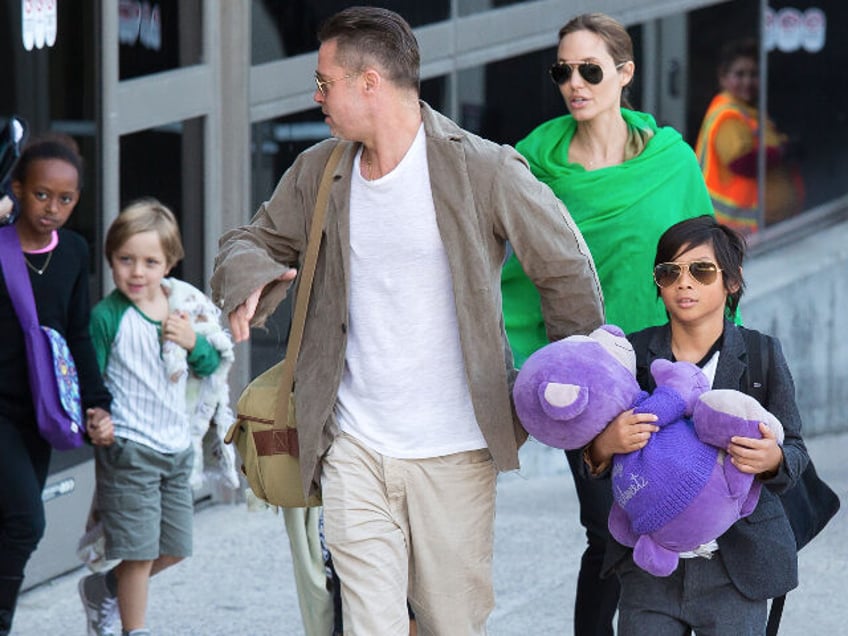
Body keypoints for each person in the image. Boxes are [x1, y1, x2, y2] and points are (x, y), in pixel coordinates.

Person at [211, 6, 604, 634]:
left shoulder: (482, 168)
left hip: (456, 451)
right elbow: (249, 238)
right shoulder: (322, 170)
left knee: (452, 623)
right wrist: (249, 280)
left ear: (369, 83)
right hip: (354, 445)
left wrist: (568, 387)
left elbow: (565, 269)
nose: (316, 97)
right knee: (370, 624)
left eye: (325, 82)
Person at [500, 13, 714, 634]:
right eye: (561, 71)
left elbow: (705, 264)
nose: (574, 83)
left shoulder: (672, 160)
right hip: (585, 374)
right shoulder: (529, 164)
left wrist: (724, 358)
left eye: (589, 70)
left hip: (666, 365)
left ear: (624, 74)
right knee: (608, 530)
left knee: (676, 518)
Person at [586, 215, 808, 634]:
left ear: (732, 282)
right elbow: (591, 455)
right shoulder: (631, 355)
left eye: (702, 271)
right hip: (648, 570)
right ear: (659, 283)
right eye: (670, 272)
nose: (684, 283)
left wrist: (773, 458)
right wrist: (604, 445)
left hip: (736, 571)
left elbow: (796, 451)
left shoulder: (760, 355)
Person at [79, 199, 223, 636]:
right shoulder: (108, 316)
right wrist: (96, 417)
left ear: (169, 263)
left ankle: (103, 589)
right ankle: (133, 628)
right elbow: (92, 377)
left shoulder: (182, 304)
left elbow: (211, 364)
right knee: (137, 554)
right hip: (129, 449)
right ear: (111, 260)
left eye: (150, 262)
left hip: (176, 448)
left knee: (176, 548)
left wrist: (193, 342)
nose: (137, 272)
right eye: (126, 260)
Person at [0, 132, 115, 635]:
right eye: (41, 194)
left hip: (40, 411)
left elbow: (76, 334)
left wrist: (97, 403)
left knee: (10, 522)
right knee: (28, 521)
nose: (52, 207)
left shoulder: (72, 251)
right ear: (18, 190)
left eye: (65, 199)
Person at [695, 37, 804, 235]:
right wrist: (782, 152)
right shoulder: (728, 115)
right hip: (741, 230)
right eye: (740, 74)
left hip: (758, 226)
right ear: (723, 77)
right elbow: (742, 162)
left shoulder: (746, 110)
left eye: (753, 74)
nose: (747, 81)